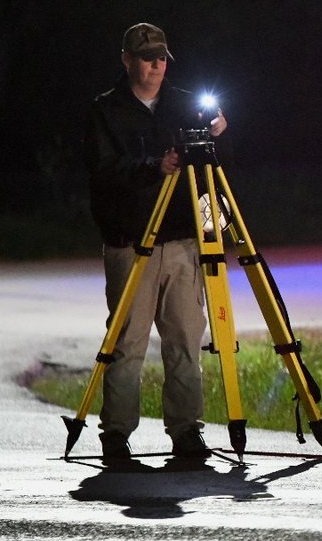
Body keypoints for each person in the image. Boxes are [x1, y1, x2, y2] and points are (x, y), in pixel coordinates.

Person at [83, 23, 227, 461]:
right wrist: (152, 166)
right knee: (128, 341)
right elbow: (103, 171)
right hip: (131, 240)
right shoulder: (105, 111)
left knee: (185, 337)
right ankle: (116, 434)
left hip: (182, 238)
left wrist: (218, 129)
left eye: (162, 57)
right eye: (147, 57)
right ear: (126, 59)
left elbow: (211, 164)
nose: (156, 65)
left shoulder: (184, 106)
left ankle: (186, 430)